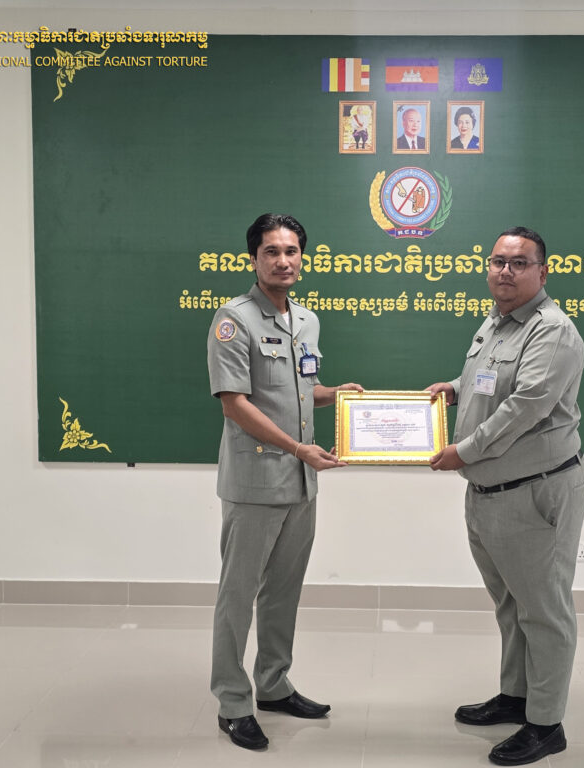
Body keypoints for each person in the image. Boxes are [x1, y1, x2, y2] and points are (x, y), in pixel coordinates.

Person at [425, 226, 584, 766]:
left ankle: (546, 723)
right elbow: (489, 382)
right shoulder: (497, 321)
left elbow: (526, 406)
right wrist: (453, 389)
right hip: (490, 492)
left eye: (519, 263)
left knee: (544, 610)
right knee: (511, 605)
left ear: (543, 271)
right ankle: (517, 696)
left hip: (533, 491)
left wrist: (464, 451)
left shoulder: (552, 331)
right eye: (498, 261)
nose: (505, 271)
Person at [207, 213, 363, 751]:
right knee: (238, 596)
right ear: (253, 258)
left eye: (291, 251)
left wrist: (335, 393)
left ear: (303, 258)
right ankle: (233, 700)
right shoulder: (234, 320)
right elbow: (235, 404)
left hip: (301, 482)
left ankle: (273, 684)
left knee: (283, 591)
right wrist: (298, 448)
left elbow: (298, 391)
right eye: (271, 251)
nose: (283, 261)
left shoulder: (306, 320)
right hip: (256, 482)